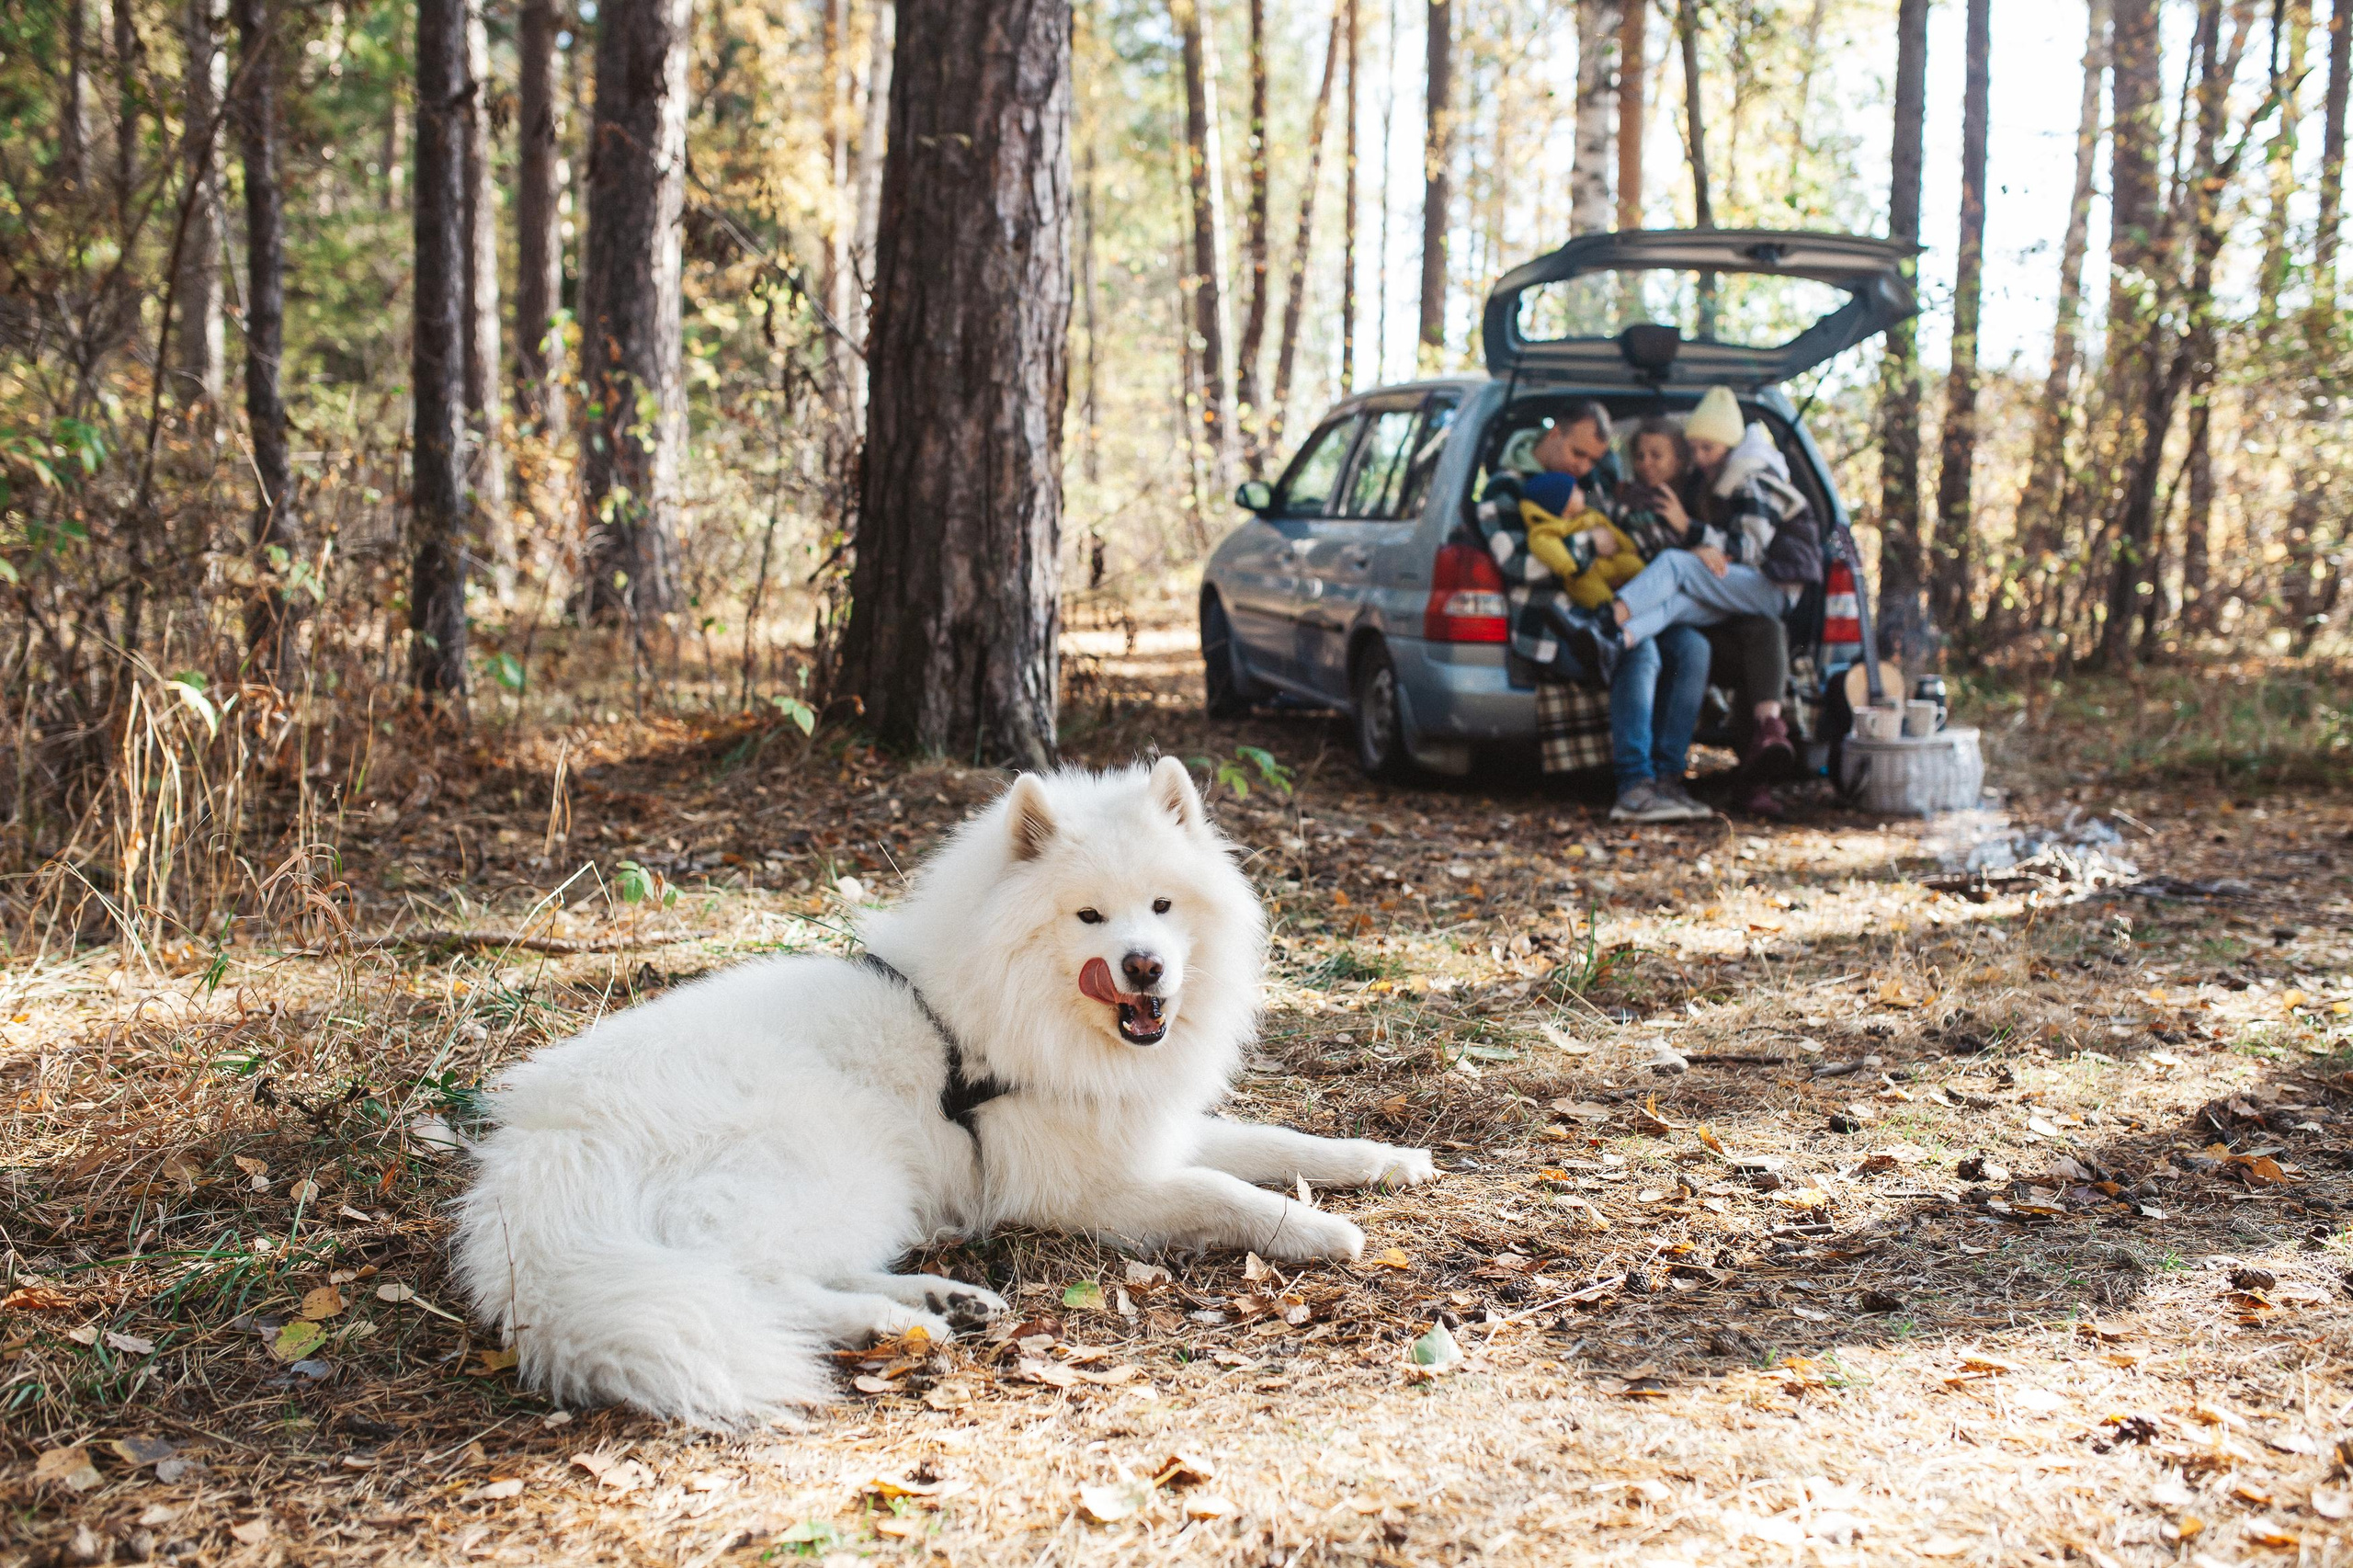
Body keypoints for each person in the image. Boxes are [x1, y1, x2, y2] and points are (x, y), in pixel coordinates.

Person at [1603, 385, 1818, 814]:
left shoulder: (1753, 475)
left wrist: (1692, 533)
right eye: (1695, 448)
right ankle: (1620, 637)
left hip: (1774, 586)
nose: (1701, 457)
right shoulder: (1712, 482)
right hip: (1749, 589)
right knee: (1680, 602)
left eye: (1708, 447)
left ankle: (1608, 620)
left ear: (1731, 443)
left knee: (1675, 567)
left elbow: (1748, 549)